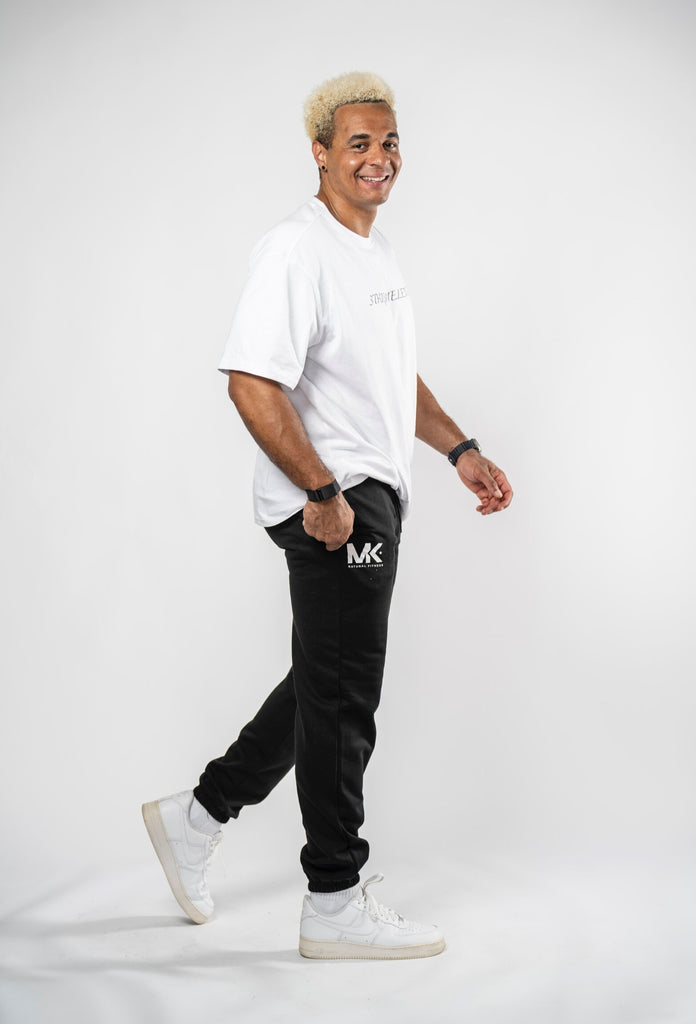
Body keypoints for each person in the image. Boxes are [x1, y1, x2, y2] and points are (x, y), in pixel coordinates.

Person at [142, 70, 513, 961]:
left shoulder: (373, 256)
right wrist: (321, 493)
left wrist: (460, 449)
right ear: (319, 153)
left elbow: (389, 377)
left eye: (389, 142)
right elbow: (250, 382)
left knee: (324, 682)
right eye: (358, 143)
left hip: (369, 495)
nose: (379, 158)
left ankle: (198, 817)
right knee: (345, 698)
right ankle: (334, 899)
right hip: (336, 505)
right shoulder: (294, 250)